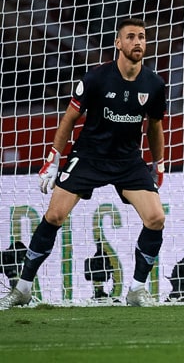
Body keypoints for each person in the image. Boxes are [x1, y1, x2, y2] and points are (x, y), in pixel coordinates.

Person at [0, 18, 167, 309]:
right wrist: (53, 160)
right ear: (118, 43)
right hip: (89, 157)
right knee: (54, 216)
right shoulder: (96, 79)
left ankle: (137, 290)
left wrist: (159, 163)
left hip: (128, 161)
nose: (138, 42)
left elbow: (155, 126)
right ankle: (23, 288)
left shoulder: (154, 84)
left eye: (142, 37)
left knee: (156, 219)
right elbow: (69, 119)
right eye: (130, 37)